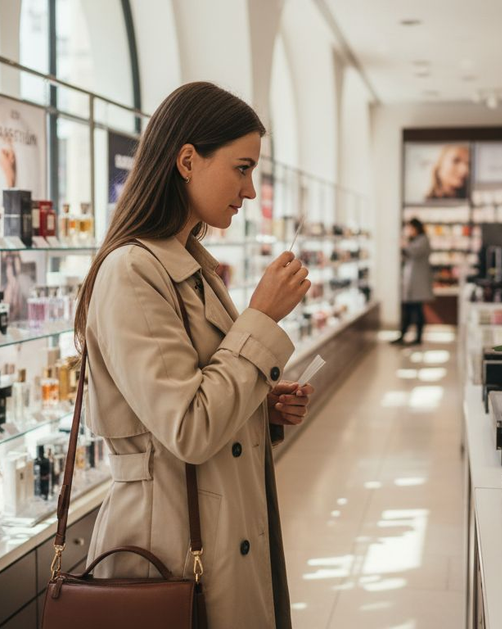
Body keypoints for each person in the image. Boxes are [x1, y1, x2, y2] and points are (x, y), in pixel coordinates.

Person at [72, 82, 315, 629]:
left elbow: (197, 391)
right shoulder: (131, 272)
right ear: (187, 160)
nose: (250, 190)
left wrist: (261, 405)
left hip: (211, 528)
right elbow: (189, 426)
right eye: (241, 167)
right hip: (171, 550)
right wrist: (262, 318)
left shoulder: (188, 264)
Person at [394, 218, 433, 345]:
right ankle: (404, 334)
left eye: (410, 228)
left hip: (418, 282)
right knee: (410, 310)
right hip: (412, 282)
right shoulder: (416, 240)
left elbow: (412, 251)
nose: (408, 231)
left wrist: (404, 244)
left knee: (416, 310)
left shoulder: (423, 240)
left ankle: (417, 337)